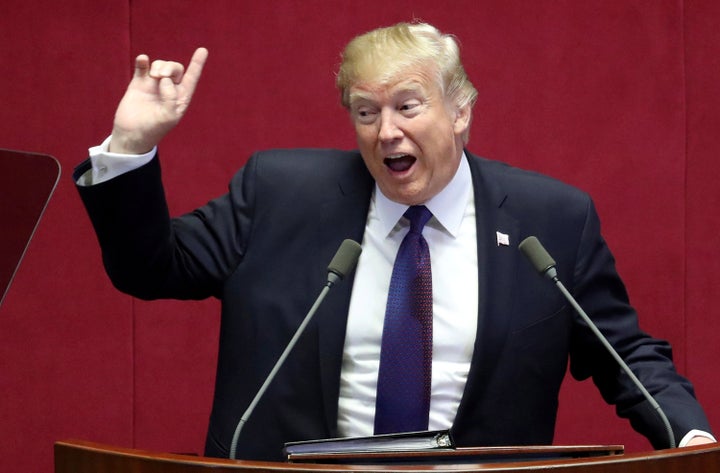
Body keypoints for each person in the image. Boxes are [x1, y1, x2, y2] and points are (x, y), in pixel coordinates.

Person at [74, 22, 715, 461]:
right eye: (365, 111)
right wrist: (131, 146)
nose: (386, 132)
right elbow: (149, 268)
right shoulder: (278, 193)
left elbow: (624, 353)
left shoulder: (551, 220)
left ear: (459, 110)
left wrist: (688, 440)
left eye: (408, 107)